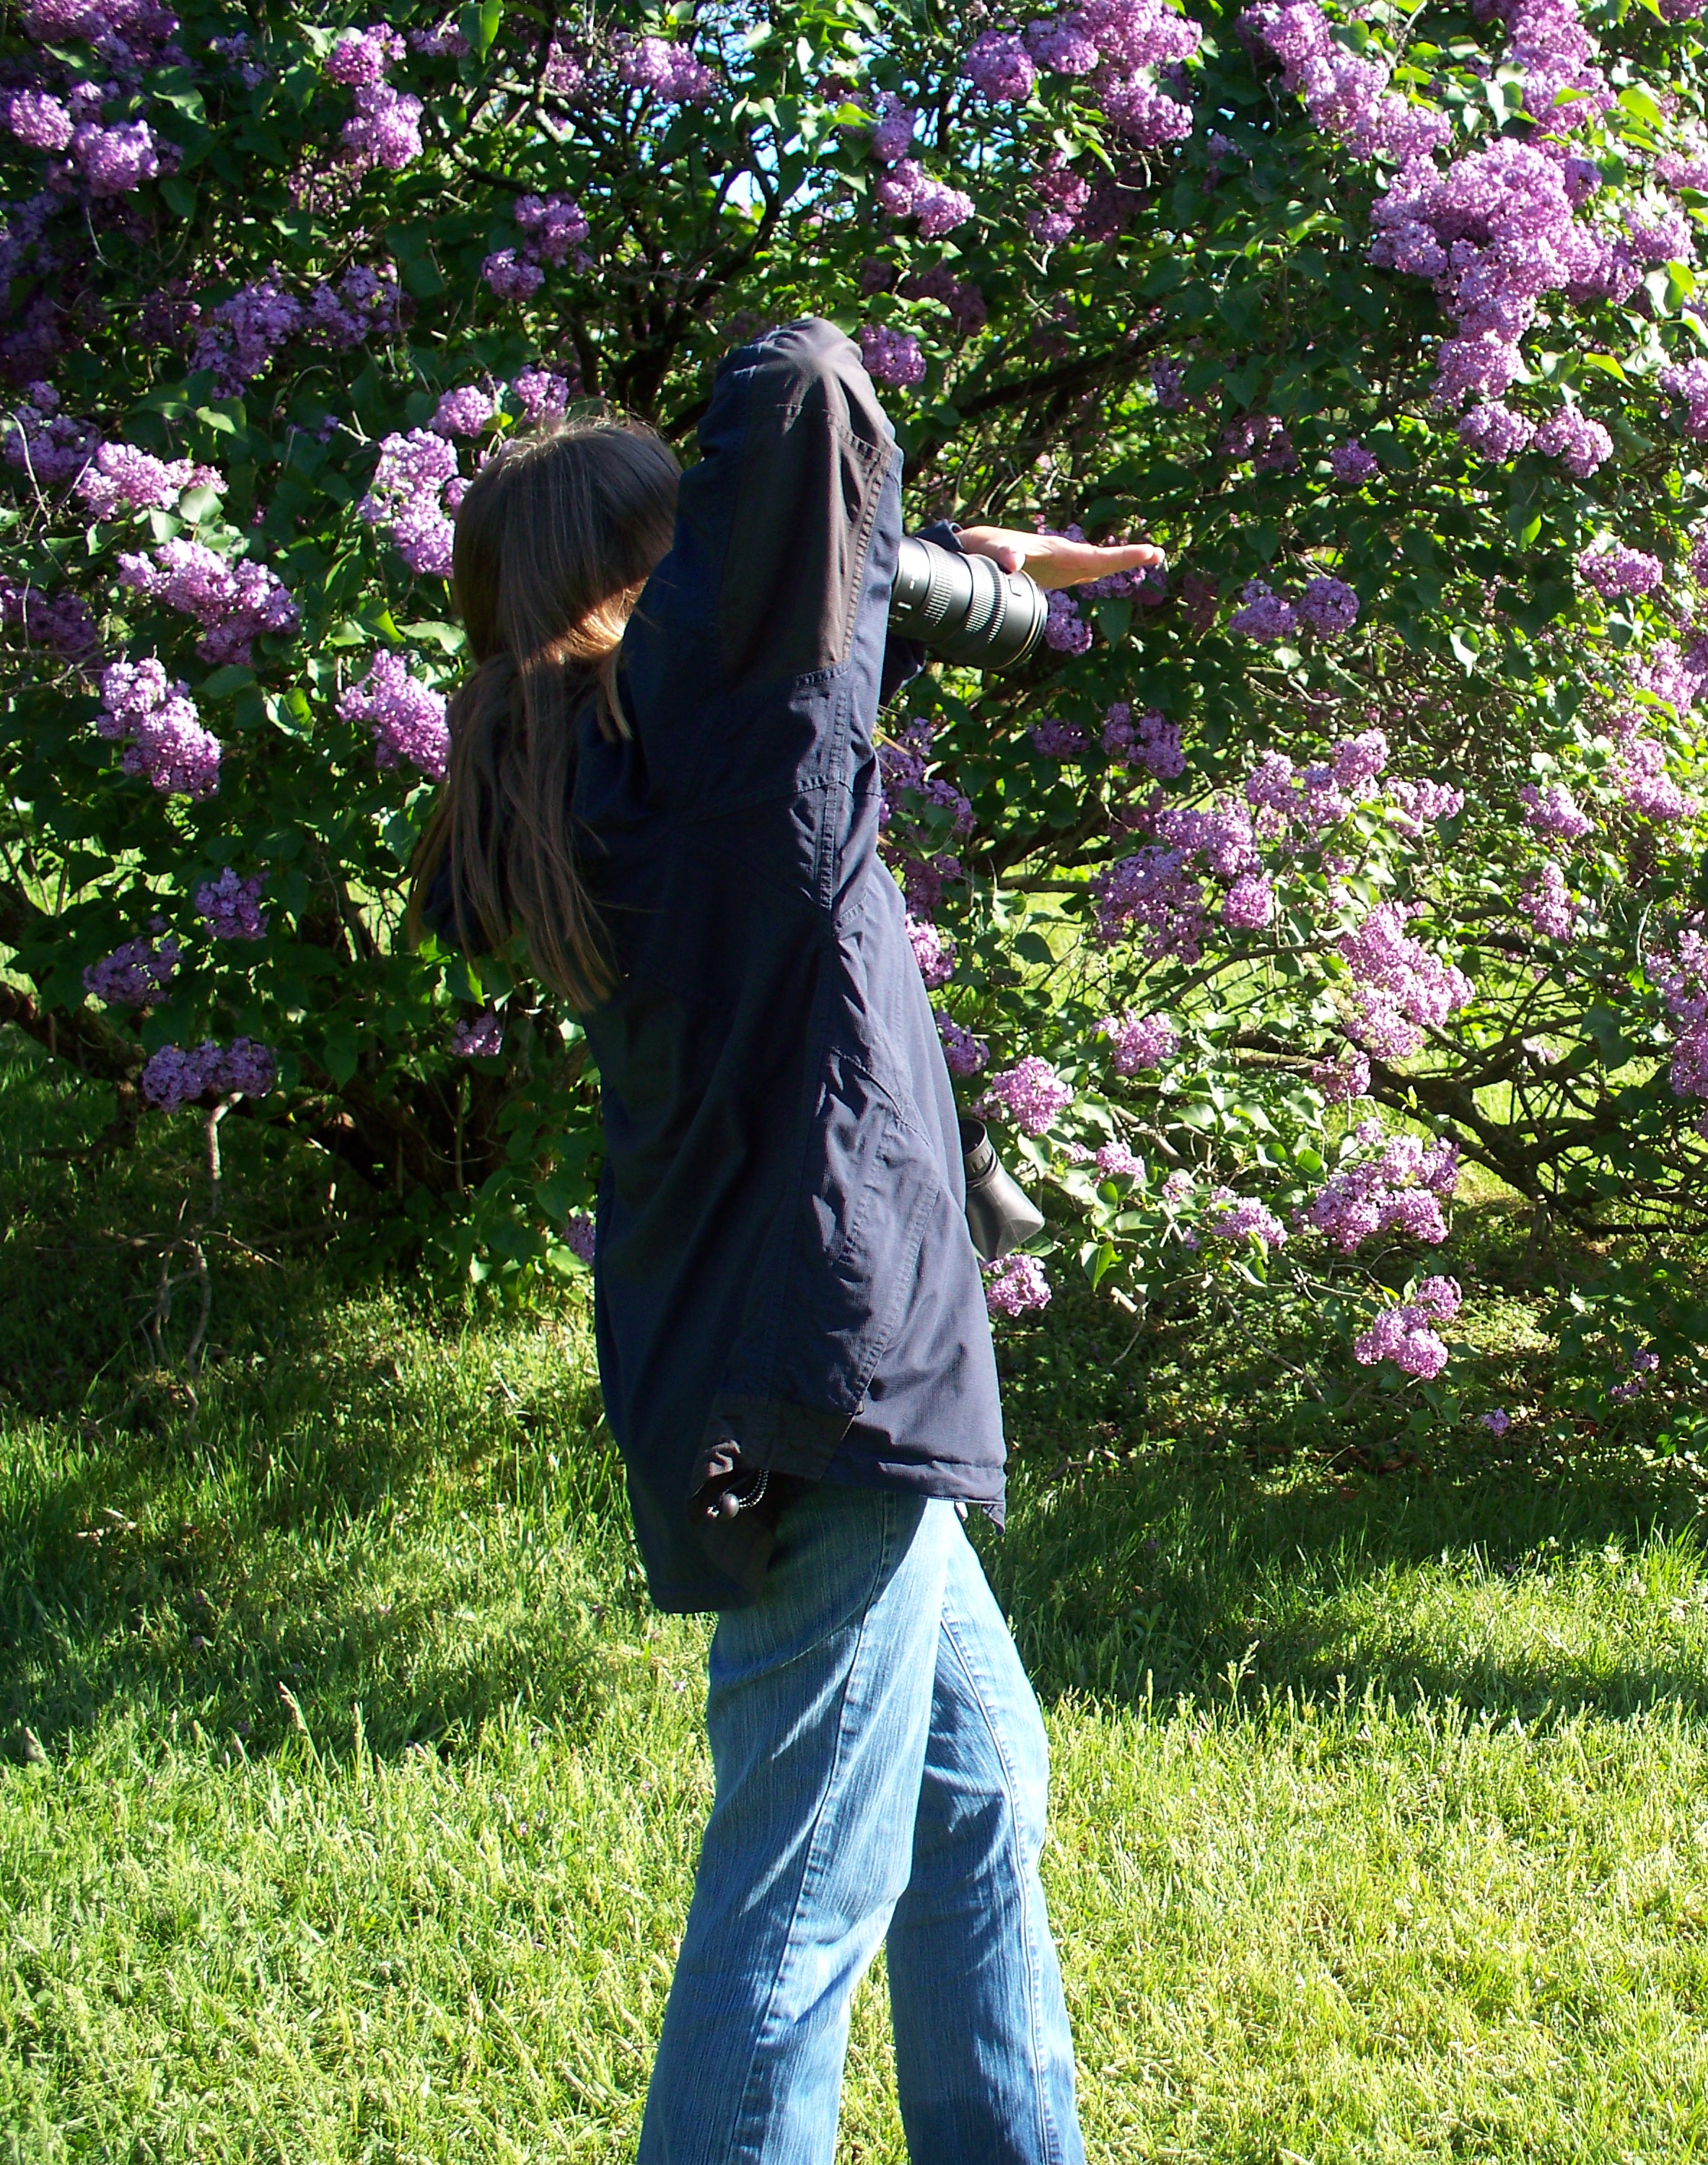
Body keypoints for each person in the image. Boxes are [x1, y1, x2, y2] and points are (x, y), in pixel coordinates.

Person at [409, 318, 1158, 2164]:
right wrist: (921, 562)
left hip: (745, 1346)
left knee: (976, 1790)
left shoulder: (585, 760)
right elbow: (809, 384)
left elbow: (799, 560)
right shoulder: (735, 755)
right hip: (816, 1361)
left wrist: (959, 577)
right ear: (653, 591)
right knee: (797, 1892)